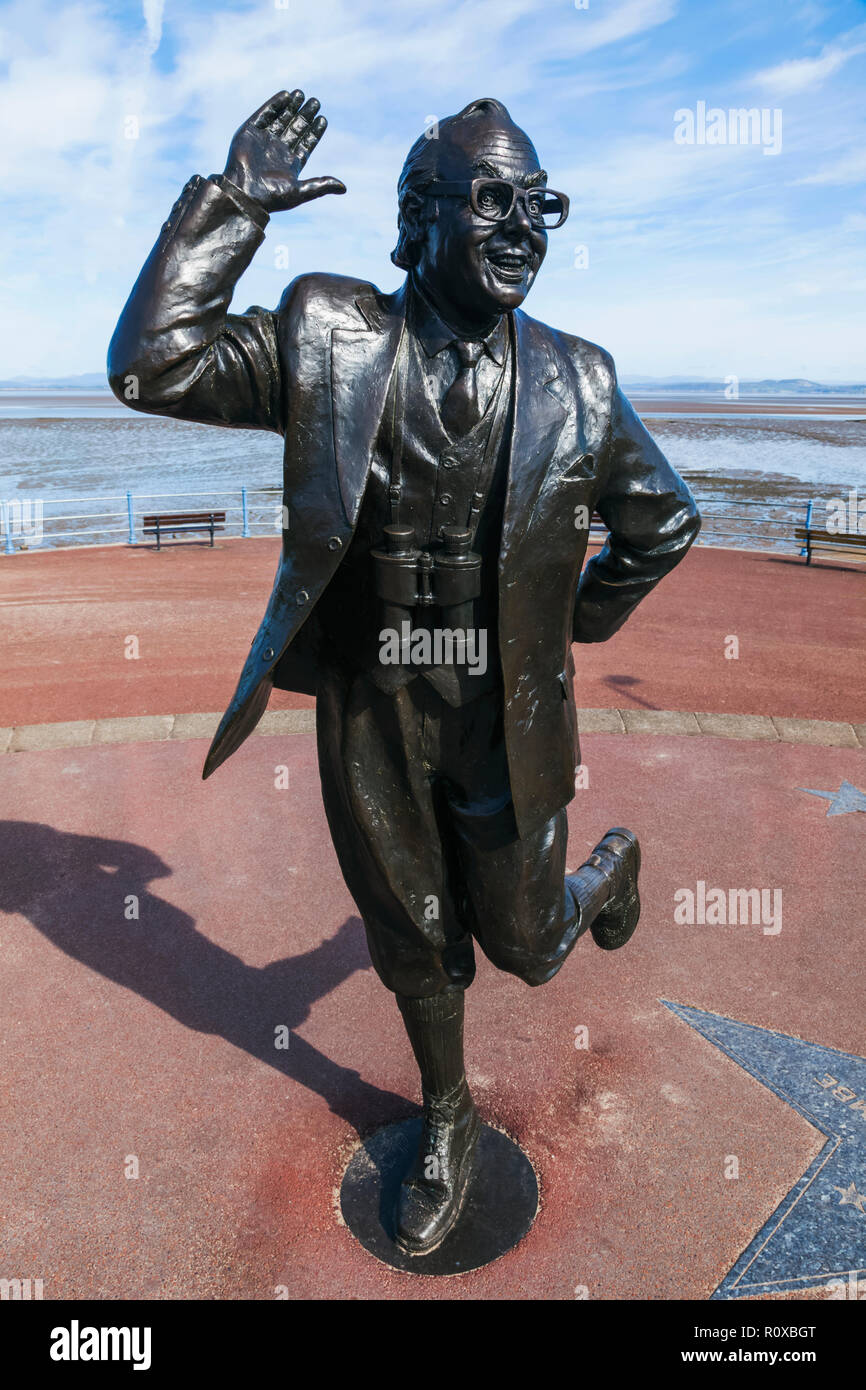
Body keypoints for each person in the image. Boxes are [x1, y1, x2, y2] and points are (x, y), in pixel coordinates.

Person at [108, 89, 701, 1255]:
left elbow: (664, 522)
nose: (521, 226)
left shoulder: (578, 380)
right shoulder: (328, 332)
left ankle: (611, 865)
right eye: (491, 201)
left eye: (539, 206)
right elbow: (151, 364)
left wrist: (568, 631)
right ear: (415, 222)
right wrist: (234, 207)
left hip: (498, 704)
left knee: (525, 947)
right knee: (412, 932)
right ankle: (447, 1116)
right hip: (372, 696)